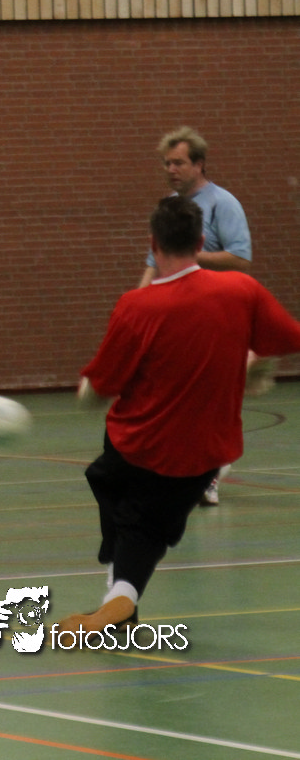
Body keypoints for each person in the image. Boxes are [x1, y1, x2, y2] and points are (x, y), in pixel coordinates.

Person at [61, 196, 300, 635]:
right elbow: (288, 338)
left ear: (154, 244)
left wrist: (86, 388)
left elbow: (101, 386)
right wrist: (254, 360)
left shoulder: (137, 306)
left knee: (120, 498)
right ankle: (120, 601)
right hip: (205, 455)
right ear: (201, 241)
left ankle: (119, 598)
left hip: (140, 449)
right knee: (144, 527)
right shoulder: (242, 291)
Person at [136, 127, 253, 505]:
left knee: (209, 401)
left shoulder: (223, 204)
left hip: (216, 316)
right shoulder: (168, 208)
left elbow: (240, 259)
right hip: (176, 318)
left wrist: (190, 254)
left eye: (179, 163)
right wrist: (137, 306)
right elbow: (155, 262)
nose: (171, 169)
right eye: (166, 163)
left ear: (199, 164)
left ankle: (210, 474)